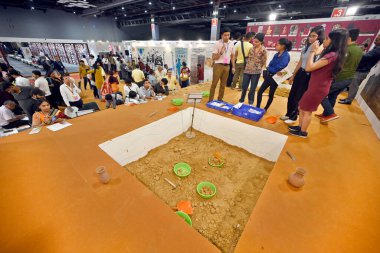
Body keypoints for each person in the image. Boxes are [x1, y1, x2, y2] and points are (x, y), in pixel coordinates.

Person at [289, 28, 348, 138]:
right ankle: (300, 127)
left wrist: (312, 50)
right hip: (315, 86)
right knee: (302, 107)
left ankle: (303, 132)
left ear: (333, 41)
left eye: (326, 39)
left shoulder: (331, 56)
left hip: (318, 88)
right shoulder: (331, 54)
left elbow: (309, 67)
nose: (324, 41)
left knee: (306, 110)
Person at [281, 25, 325, 124]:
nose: (311, 38)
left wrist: (316, 46)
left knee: (298, 97)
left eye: (314, 36)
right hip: (300, 72)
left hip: (308, 75)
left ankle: (293, 117)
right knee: (291, 95)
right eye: (310, 35)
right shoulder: (305, 47)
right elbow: (300, 62)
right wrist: (293, 75)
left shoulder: (319, 48)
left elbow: (317, 54)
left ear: (319, 38)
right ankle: (288, 114)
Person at [318, 29, 363, 123]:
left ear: (349, 38)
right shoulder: (359, 50)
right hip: (349, 78)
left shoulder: (346, 50)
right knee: (332, 96)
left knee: (321, 94)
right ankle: (326, 114)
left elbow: (339, 65)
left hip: (341, 78)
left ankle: (330, 113)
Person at [339, 34, 380, 105]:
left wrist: (360, 51)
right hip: (361, 70)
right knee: (352, 85)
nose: (376, 39)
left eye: (378, 39)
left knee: (354, 86)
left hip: (362, 71)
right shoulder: (376, 48)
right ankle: (348, 99)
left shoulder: (378, 50)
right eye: (376, 37)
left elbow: (365, 57)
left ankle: (349, 100)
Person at [256, 38, 292, 111]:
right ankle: (257, 107)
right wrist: (271, 69)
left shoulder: (286, 56)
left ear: (283, 46)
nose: (276, 46)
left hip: (276, 78)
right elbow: (270, 64)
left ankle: (265, 108)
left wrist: (271, 69)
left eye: (278, 44)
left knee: (271, 94)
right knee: (260, 91)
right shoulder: (276, 54)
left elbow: (280, 67)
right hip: (269, 76)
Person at [239, 33, 267, 105]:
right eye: (254, 41)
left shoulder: (264, 50)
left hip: (256, 72)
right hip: (247, 70)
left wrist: (258, 67)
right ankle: (241, 100)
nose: (254, 43)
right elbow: (248, 58)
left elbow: (264, 61)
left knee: (252, 88)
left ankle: (250, 102)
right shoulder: (251, 48)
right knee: (244, 86)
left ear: (261, 42)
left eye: (256, 42)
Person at [209, 28, 236, 102]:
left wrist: (233, 66)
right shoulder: (217, 43)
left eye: (228, 35)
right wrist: (221, 52)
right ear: (221, 35)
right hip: (218, 65)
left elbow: (232, 56)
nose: (227, 37)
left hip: (227, 66)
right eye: (225, 35)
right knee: (214, 84)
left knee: (223, 84)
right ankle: (210, 100)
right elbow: (213, 57)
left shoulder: (231, 43)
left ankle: (220, 99)